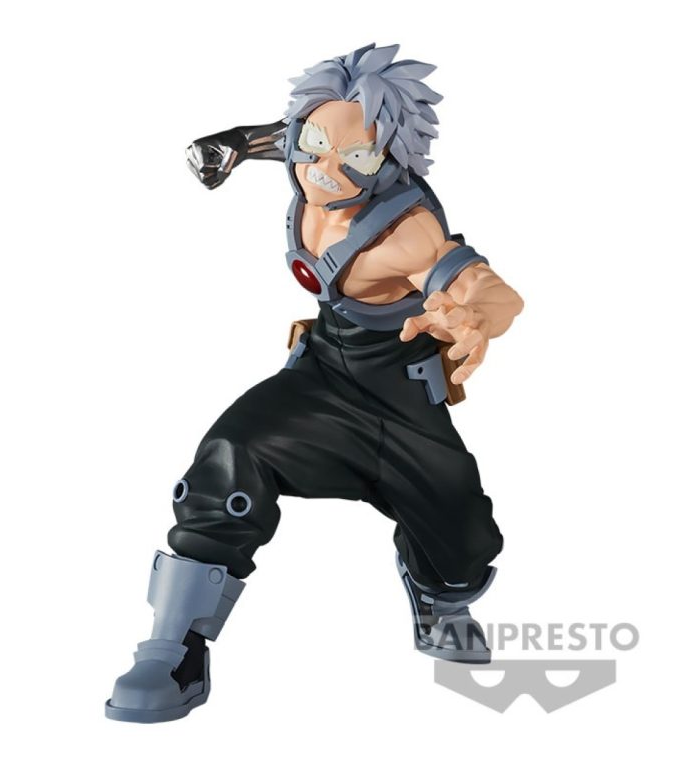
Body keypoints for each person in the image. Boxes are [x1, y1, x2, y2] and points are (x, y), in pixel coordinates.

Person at [105, 43, 524, 724]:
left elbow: (493, 291)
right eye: (314, 146)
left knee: (461, 535)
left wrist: (473, 316)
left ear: (388, 159)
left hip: (397, 398)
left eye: (357, 157)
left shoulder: (408, 232)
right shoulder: (309, 153)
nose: (326, 169)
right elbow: (297, 137)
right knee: (228, 458)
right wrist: (234, 144)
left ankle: (438, 595)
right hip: (322, 370)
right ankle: (172, 649)